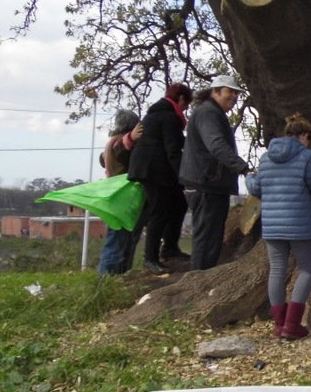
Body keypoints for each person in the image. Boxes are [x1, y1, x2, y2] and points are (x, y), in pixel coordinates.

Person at [246, 113, 311, 339]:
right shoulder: (307, 157)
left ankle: (279, 325)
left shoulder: (266, 158)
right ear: (303, 135)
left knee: (277, 271)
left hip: (271, 226)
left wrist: (250, 177)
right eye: (308, 137)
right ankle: (292, 324)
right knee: (307, 269)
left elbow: (255, 188)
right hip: (299, 224)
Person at [178, 75, 251, 270]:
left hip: (211, 185)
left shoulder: (212, 113)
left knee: (212, 237)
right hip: (205, 185)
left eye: (237, 93)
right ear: (215, 91)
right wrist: (243, 168)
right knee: (206, 239)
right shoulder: (208, 113)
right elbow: (216, 145)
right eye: (230, 91)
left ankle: (202, 277)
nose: (234, 96)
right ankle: (198, 282)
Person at [127, 82, 193, 274]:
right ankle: (151, 258)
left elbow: (179, 141)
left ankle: (170, 248)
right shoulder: (169, 116)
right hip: (154, 171)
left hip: (154, 169)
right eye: (186, 105)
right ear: (180, 99)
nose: (185, 109)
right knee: (159, 211)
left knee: (179, 204)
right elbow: (173, 150)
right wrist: (184, 177)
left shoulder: (156, 115)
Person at [97, 109, 143, 275]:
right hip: (121, 199)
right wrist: (130, 139)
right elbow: (121, 149)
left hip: (116, 199)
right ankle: (107, 277)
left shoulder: (111, 142)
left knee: (121, 241)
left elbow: (103, 159)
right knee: (117, 242)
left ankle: (117, 275)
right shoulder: (118, 143)